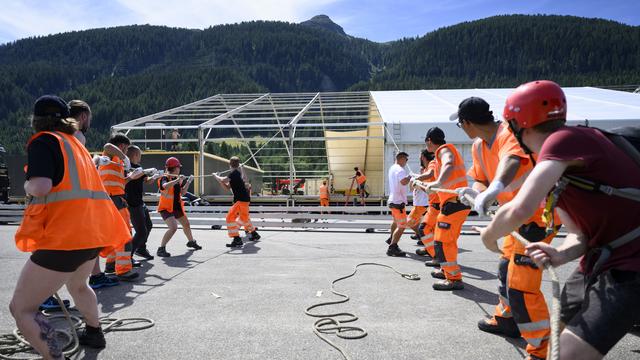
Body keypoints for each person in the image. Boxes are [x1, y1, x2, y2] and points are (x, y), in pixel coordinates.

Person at [479, 80, 640, 360]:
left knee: (568, 354)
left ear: (518, 125)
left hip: (631, 266)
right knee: (557, 336)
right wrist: (560, 253)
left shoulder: (564, 140)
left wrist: (489, 236)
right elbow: (580, 236)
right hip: (598, 260)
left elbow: (519, 209)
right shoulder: (562, 167)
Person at [10, 95, 131, 358]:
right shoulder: (77, 146)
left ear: (36, 120)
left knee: (22, 309)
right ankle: (94, 332)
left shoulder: (45, 141)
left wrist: (27, 185)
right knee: (79, 286)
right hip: (92, 234)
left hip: (65, 237)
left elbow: (41, 187)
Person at [452, 96, 558, 360]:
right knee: (504, 270)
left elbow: (511, 161)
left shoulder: (509, 133)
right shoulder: (478, 147)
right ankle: (506, 319)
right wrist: (475, 193)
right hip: (514, 219)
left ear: (466, 123)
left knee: (521, 288)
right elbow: (479, 179)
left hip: (538, 218)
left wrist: (495, 189)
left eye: (460, 124)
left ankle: (542, 350)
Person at [422, 127, 470, 291]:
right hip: (455, 203)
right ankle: (448, 272)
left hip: (453, 203)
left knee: (443, 242)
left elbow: (448, 164)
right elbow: (433, 176)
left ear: (429, 140)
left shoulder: (444, 150)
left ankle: (454, 279)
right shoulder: (444, 152)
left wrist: (437, 183)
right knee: (447, 241)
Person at [97, 134, 139, 281]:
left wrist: (131, 178)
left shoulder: (115, 161)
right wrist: (124, 157)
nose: (126, 153)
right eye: (126, 149)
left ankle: (111, 264)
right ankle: (123, 270)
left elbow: (119, 183)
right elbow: (107, 146)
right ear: (121, 146)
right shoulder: (112, 154)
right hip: (114, 199)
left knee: (113, 234)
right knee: (125, 234)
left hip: (110, 198)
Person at [156, 157, 202, 257]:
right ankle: (161, 248)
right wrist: (177, 180)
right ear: (174, 168)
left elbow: (182, 192)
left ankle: (191, 242)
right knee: (173, 228)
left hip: (176, 206)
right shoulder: (164, 177)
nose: (179, 169)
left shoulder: (177, 178)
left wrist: (189, 182)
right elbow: (165, 186)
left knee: (186, 224)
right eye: (178, 167)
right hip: (166, 208)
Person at [214, 156, 261, 248]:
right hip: (244, 200)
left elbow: (224, 180)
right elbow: (227, 187)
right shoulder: (237, 174)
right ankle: (254, 234)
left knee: (229, 218)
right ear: (238, 165)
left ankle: (237, 239)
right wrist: (219, 179)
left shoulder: (234, 173)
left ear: (230, 164)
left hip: (240, 200)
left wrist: (215, 176)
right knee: (244, 219)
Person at [125, 145, 157, 261]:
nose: (140, 158)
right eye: (140, 155)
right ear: (135, 155)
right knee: (141, 231)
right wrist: (144, 172)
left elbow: (146, 181)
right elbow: (133, 175)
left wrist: (154, 177)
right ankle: (128, 256)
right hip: (132, 203)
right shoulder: (127, 167)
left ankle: (141, 248)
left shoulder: (139, 167)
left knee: (148, 225)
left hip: (140, 202)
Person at [384, 152, 411, 257]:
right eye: (406, 160)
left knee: (395, 222)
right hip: (398, 202)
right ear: (402, 158)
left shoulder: (392, 168)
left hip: (393, 200)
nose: (406, 162)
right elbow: (404, 182)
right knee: (402, 225)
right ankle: (392, 247)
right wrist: (410, 177)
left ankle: (391, 238)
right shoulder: (400, 170)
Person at [413, 150, 438, 258]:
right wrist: (419, 185)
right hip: (434, 204)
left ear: (422, 157)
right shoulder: (429, 167)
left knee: (424, 229)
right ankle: (430, 250)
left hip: (437, 204)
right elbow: (429, 190)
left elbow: (430, 174)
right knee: (429, 230)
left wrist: (418, 178)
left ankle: (435, 255)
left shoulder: (432, 164)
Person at [406, 151, 431, 244]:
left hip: (422, 204)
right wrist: (413, 180)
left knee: (409, 221)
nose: (421, 171)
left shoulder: (426, 176)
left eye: (422, 170)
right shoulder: (420, 177)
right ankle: (421, 236)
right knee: (420, 223)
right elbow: (411, 189)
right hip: (419, 204)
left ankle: (422, 237)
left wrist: (416, 181)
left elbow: (423, 186)